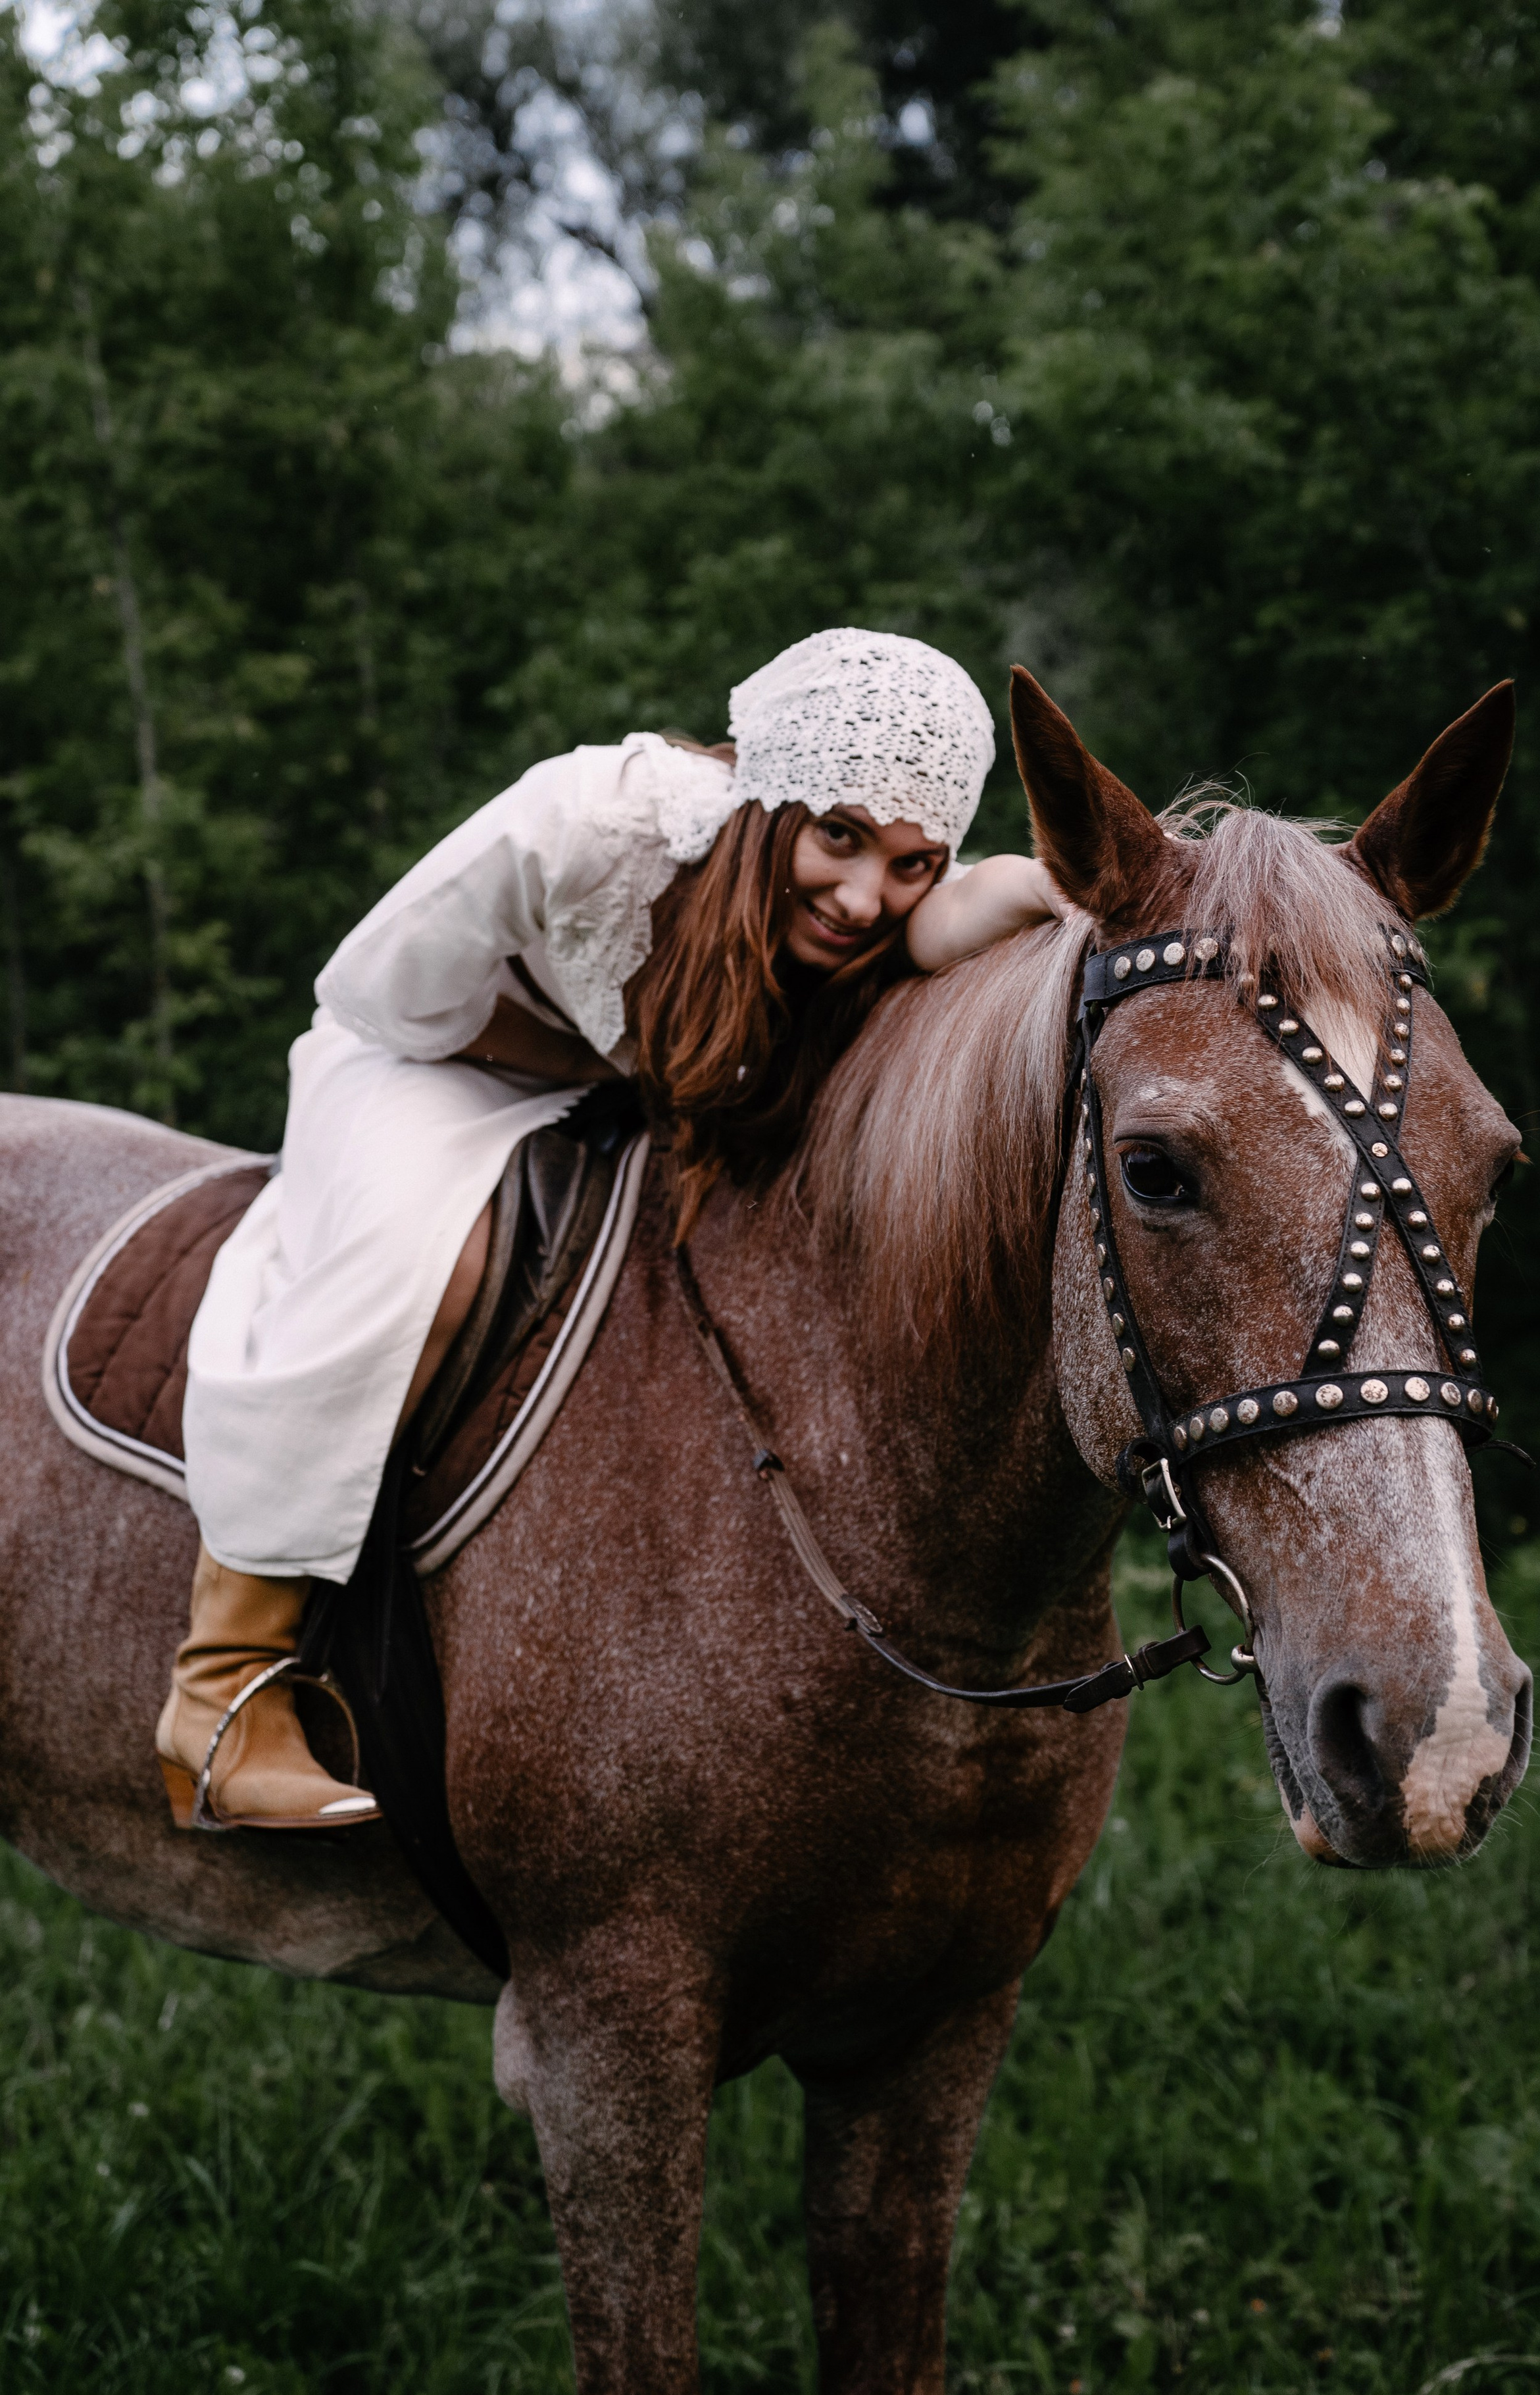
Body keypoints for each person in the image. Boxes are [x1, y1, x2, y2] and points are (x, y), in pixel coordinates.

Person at [158, 628, 1068, 1832]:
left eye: (911, 859)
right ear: (765, 794)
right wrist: (609, 1063)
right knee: (418, 1263)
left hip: (624, 1092)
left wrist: (1086, 882)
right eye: (837, 834)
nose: (861, 899)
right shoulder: (591, 818)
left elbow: (956, 916)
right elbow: (380, 986)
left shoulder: (875, 906)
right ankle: (223, 1690)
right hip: (441, 1055)